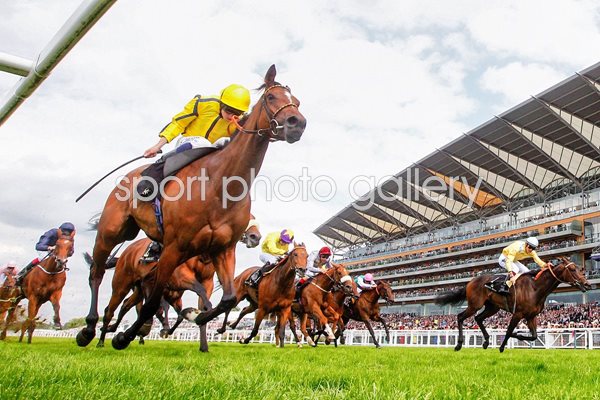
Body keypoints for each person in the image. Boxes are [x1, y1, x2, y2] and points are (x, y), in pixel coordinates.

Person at [137, 83, 251, 199]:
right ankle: (158, 169)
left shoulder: (239, 122)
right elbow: (178, 123)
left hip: (212, 152)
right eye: (229, 111)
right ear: (221, 103)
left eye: (236, 113)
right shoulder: (203, 103)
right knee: (202, 142)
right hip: (189, 143)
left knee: (225, 141)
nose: (231, 116)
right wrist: (157, 146)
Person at [485, 236, 552, 295]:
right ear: (526, 244)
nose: (531, 249)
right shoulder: (516, 247)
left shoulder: (532, 252)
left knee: (526, 271)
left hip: (513, 259)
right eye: (530, 247)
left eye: (533, 248)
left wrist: (546, 265)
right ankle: (504, 286)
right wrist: (510, 272)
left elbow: (538, 261)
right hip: (504, 258)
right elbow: (508, 261)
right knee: (515, 269)